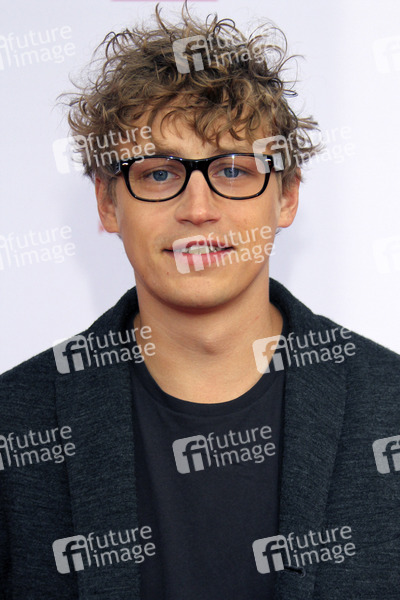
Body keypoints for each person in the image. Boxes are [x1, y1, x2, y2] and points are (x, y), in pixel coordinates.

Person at [1, 4, 399, 599]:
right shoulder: (16, 423)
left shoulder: (389, 406)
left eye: (233, 170)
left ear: (287, 197)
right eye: (159, 174)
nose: (197, 209)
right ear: (107, 204)